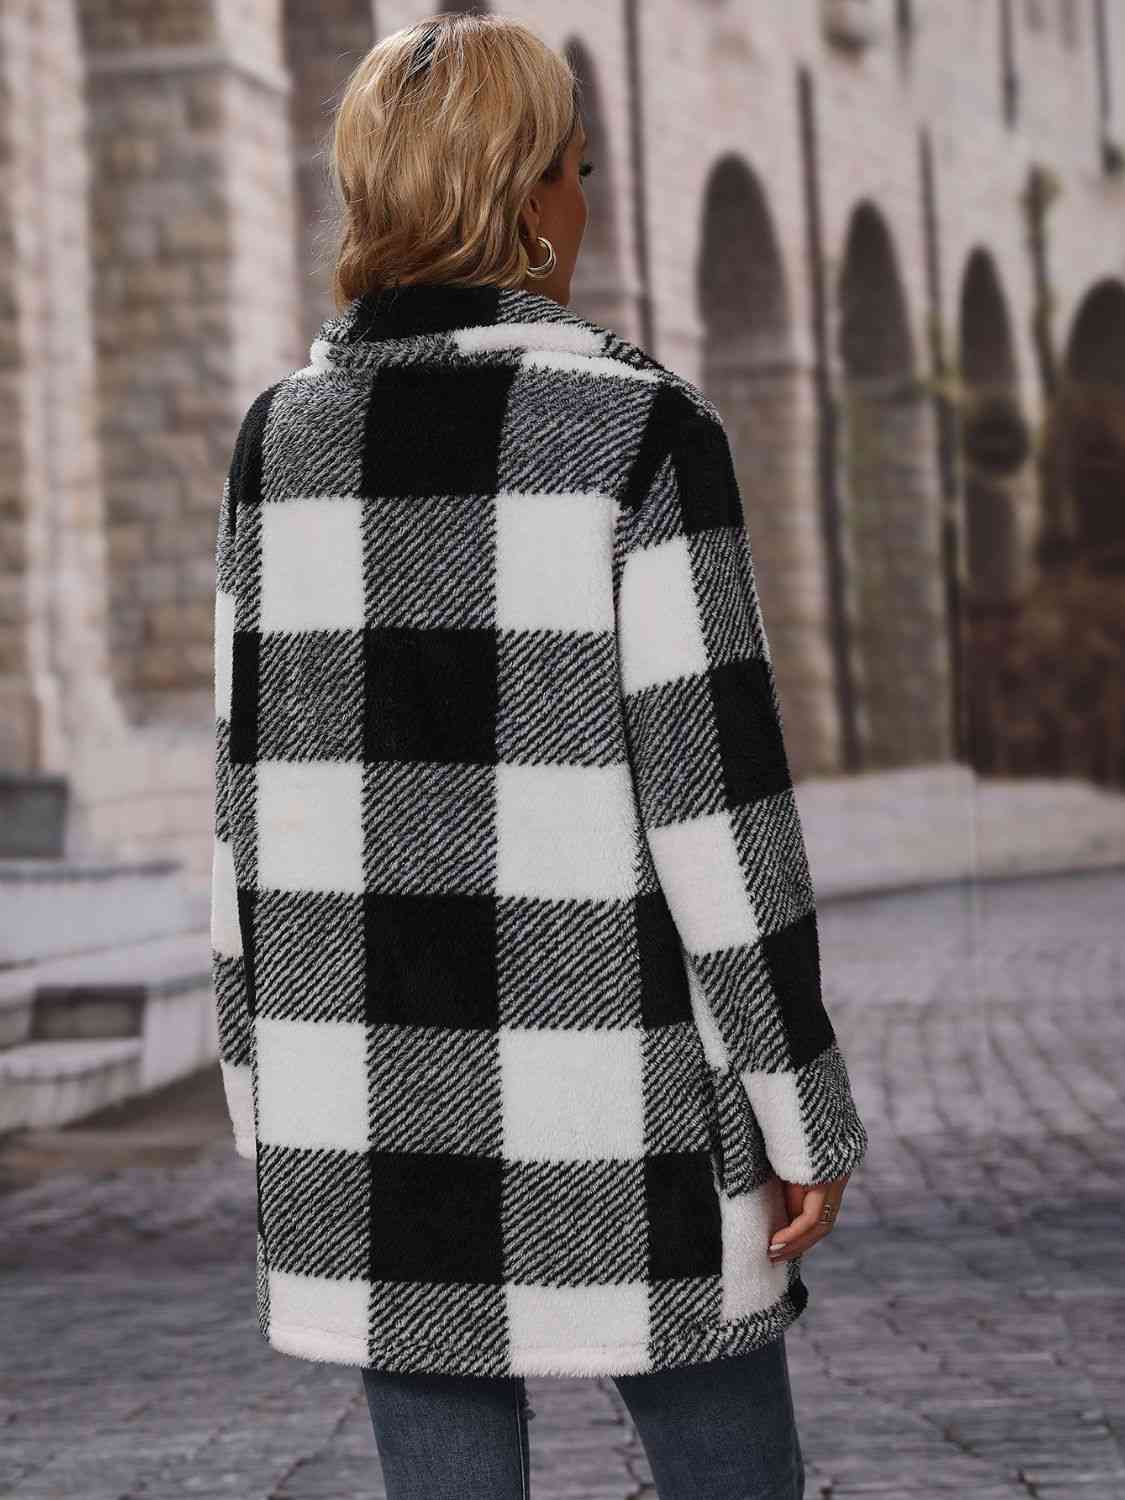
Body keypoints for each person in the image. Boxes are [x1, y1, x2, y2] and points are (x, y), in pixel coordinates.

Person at [209, 13, 869, 1499]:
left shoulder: (280, 440)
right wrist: (797, 1103)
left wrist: (257, 1073)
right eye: (575, 166)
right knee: (726, 1457)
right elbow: (720, 811)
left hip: (359, 1080)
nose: (585, 197)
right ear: (525, 198)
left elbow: (243, 800)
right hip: (621, 1091)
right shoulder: (641, 434)